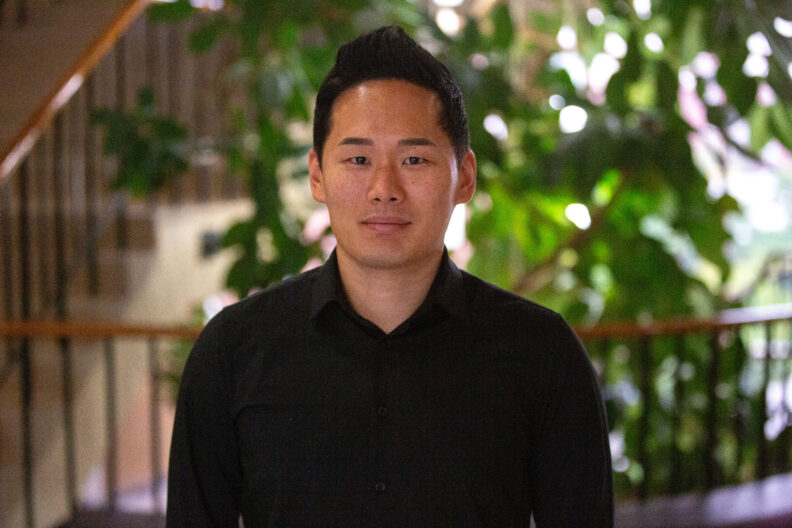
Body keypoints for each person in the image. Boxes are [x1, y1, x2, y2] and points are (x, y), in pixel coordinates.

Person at [166, 25, 613, 527]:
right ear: (317, 174)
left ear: (463, 177)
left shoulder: (542, 352)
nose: (384, 188)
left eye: (414, 159)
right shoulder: (232, 352)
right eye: (358, 159)